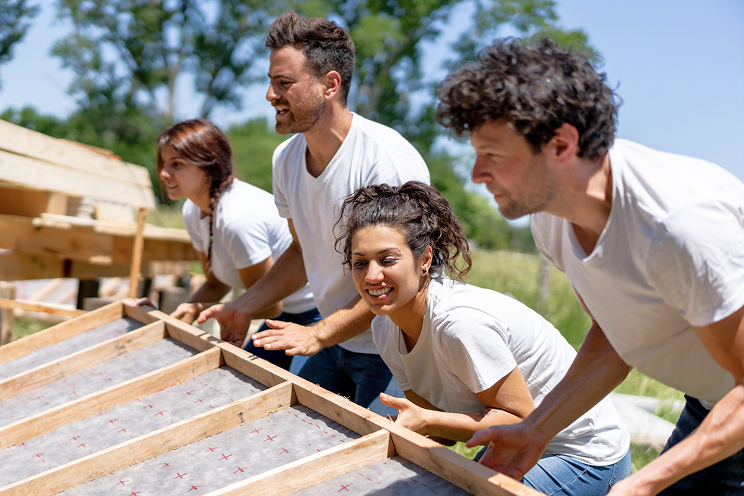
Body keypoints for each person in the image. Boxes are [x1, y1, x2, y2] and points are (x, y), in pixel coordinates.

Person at [435, 37, 744, 496]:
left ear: (562, 144)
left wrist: (642, 483)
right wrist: (536, 429)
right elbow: (616, 337)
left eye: (494, 156)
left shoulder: (678, 228)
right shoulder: (551, 218)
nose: (477, 173)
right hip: (714, 405)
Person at [334, 180, 630, 495]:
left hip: (581, 453)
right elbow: (436, 428)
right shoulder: (385, 325)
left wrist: (425, 423)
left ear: (424, 260)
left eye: (388, 259)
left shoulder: (458, 323)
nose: (371, 276)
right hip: (514, 446)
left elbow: (520, 420)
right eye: (360, 262)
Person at [197, 13, 430, 412]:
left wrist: (320, 333)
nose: (271, 95)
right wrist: (243, 306)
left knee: (373, 467)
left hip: (396, 347)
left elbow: (400, 281)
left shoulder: (385, 162)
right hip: (334, 339)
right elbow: (302, 251)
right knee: (291, 432)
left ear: (330, 84)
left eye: (284, 83)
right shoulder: (285, 159)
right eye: (271, 82)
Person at [156, 118, 318, 370]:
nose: (164, 174)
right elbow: (215, 282)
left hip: (313, 316)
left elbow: (271, 305)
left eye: (176, 164)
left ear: (208, 165)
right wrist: (186, 312)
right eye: (163, 164)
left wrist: (202, 309)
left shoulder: (237, 219)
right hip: (281, 315)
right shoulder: (192, 210)